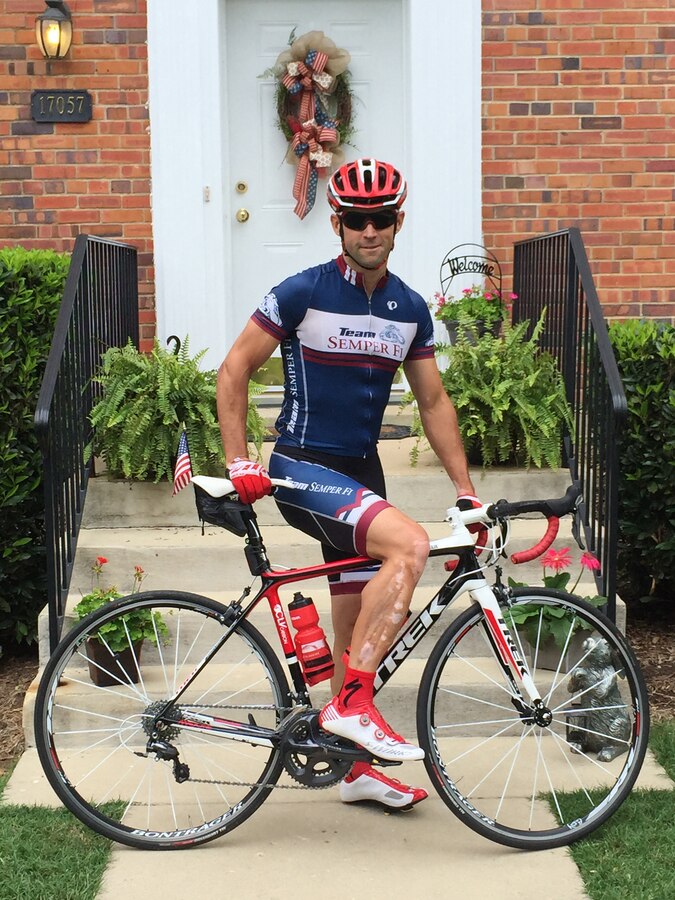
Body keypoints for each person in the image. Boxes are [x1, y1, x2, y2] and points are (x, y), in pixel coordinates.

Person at [217, 158, 480, 811]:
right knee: (410, 546)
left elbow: (433, 401)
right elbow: (233, 370)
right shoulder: (301, 292)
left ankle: (352, 767)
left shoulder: (408, 309)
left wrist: (465, 489)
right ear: (336, 222)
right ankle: (354, 705)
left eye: (380, 218)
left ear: (397, 222)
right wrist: (239, 460)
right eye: (357, 219)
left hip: (362, 472)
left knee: (355, 628)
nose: (369, 230)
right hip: (301, 467)